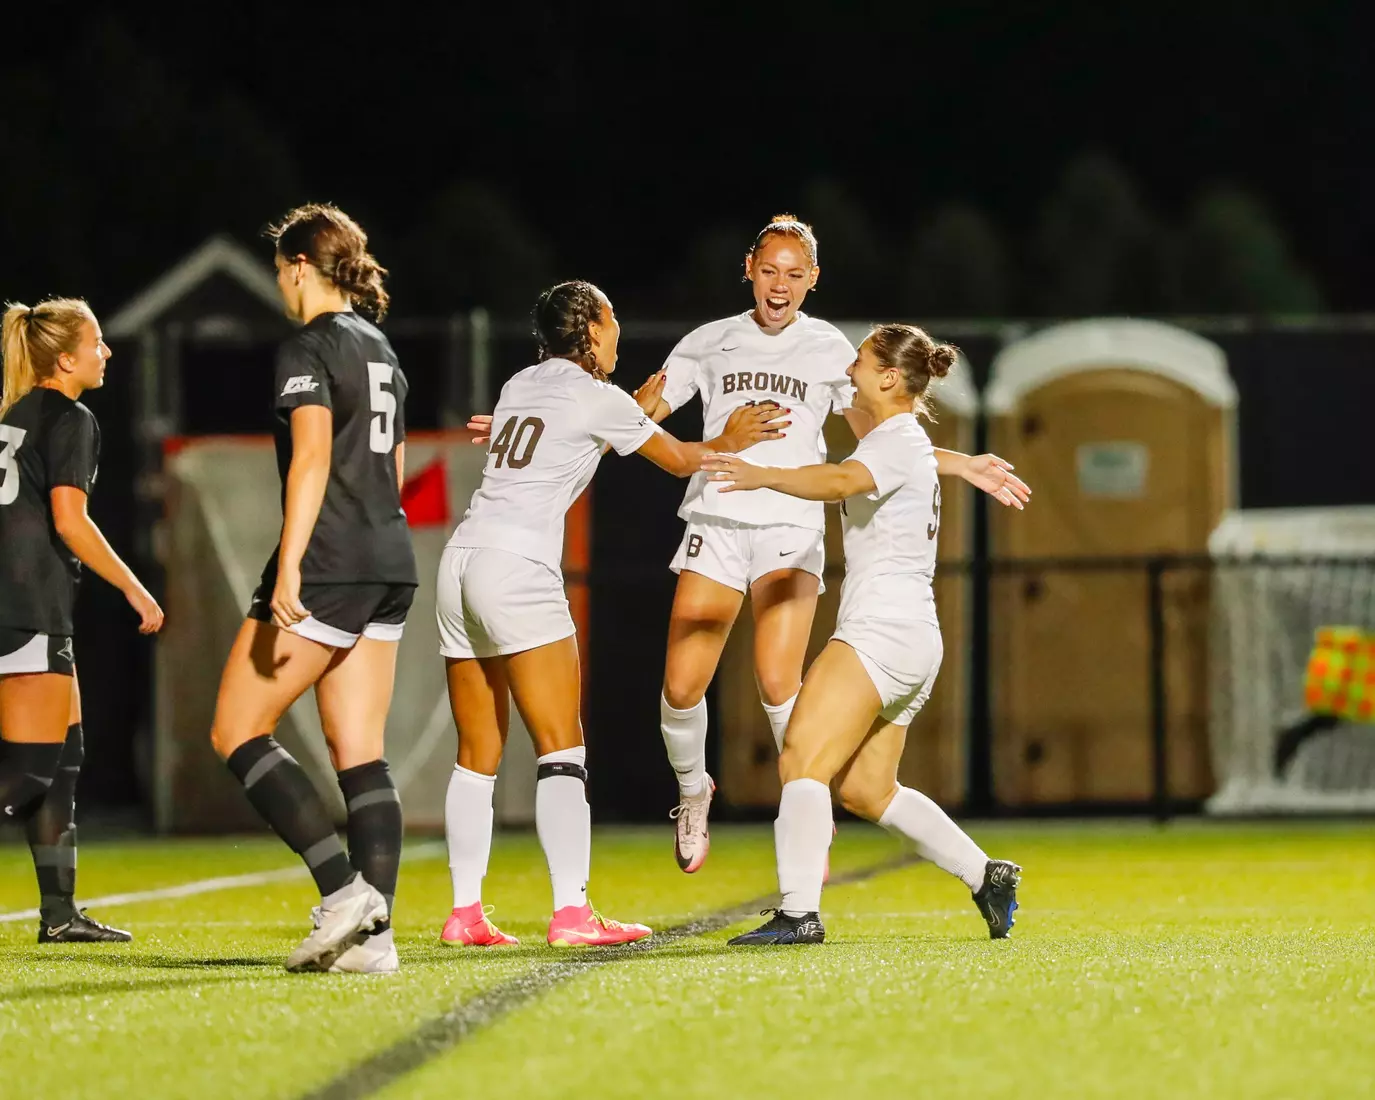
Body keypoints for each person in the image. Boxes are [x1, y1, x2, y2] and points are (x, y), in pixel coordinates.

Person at [438, 280, 789, 948]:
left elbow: (582, 436)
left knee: (477, 754)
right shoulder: (594, 396)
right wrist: (732, 435)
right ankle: (572, 914)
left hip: (462, 560)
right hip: (517, 568)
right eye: (612, 317)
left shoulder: (520, 384)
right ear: (592, 328)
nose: (618, 329)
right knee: (562, 749)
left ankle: (465, 913)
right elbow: (681, 459)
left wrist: (636, 410)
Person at [701, 324, 1029, 945]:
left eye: (859, 361)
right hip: (911, 638)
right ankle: (985, 875)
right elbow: (899, 452)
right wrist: (964, 465)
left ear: (888, 377)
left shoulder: (896, 441)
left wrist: (760, 474)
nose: (849, 370)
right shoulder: (898, 438)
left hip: (881, 630)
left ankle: (799, 914)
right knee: (867, 789)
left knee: (800, 754)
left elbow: (840, 481)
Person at [209, 204, 414, 974]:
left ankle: (343, 893)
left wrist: (291, 561)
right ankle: (376, 941)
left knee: (237, 728)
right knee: (360, 750)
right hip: (389, 560)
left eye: (278, 272)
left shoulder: (308, 344)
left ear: (298, 267)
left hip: (330, 559)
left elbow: (312, 458)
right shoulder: (382, 347)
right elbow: (390, 472)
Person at [638, 214, 868, 873]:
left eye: (795, 274)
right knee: (681, 688)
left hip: (790, 527)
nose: (779, 284)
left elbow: (876, 427)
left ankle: (805, 811)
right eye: (769, 270)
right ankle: (692, 792)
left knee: (776, 680)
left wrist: (949, 460)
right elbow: (638, 420)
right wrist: (572, 414)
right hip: (717, 521)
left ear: (812, 280)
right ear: (748, 268)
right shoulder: (710, 343)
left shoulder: (828, 348)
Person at [0, 297, 164, 943]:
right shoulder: (70, 417)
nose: (107, 352)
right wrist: (135, 589)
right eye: (97, 342)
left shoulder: (14, 415)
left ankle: (60, 915)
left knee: (64, 760)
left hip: (21, 601)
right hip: (26, 604)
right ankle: (60, 915)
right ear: (64, 358)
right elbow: (71, 520)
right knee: (28, 774)